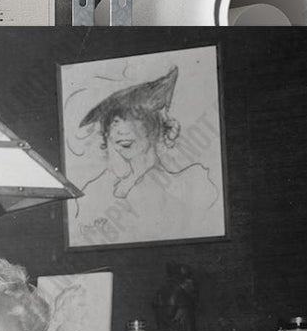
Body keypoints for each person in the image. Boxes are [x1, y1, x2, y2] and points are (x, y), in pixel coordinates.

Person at [69, 66, 220, 247]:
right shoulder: (97, 188)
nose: (119, 129)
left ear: (155, 128)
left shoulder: (191, 183)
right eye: (114, 120)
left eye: (131, 117)